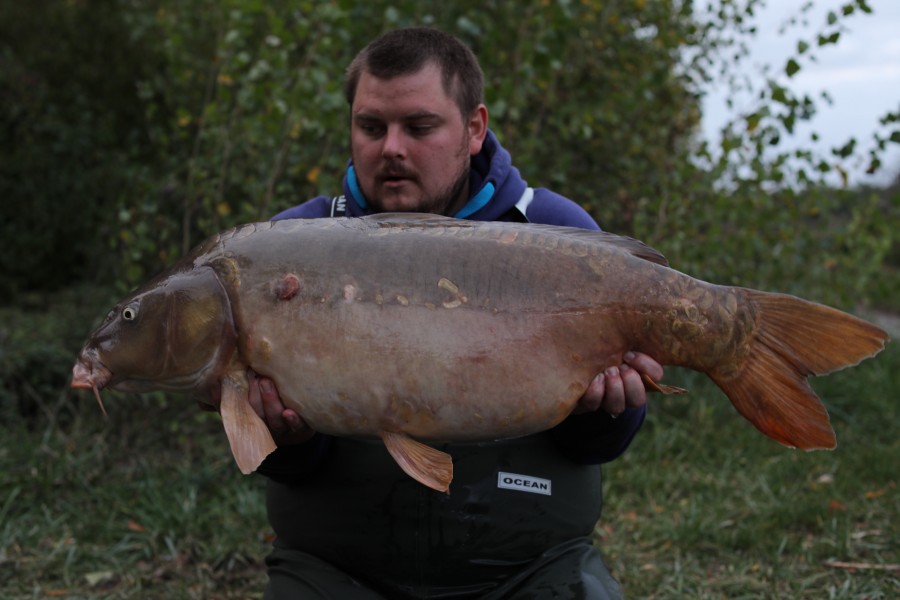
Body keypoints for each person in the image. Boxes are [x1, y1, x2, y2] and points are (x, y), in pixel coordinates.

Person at [249, 27, 664, 599]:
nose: (391, 148)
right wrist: (289, 439)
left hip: (528, 568)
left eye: (418, 127)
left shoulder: (554, 231)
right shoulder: (288, 249)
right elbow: (289, 468)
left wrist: (603, 410)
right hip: (339, 569)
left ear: (474, 128)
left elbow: (599, 447)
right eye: (371, 127)